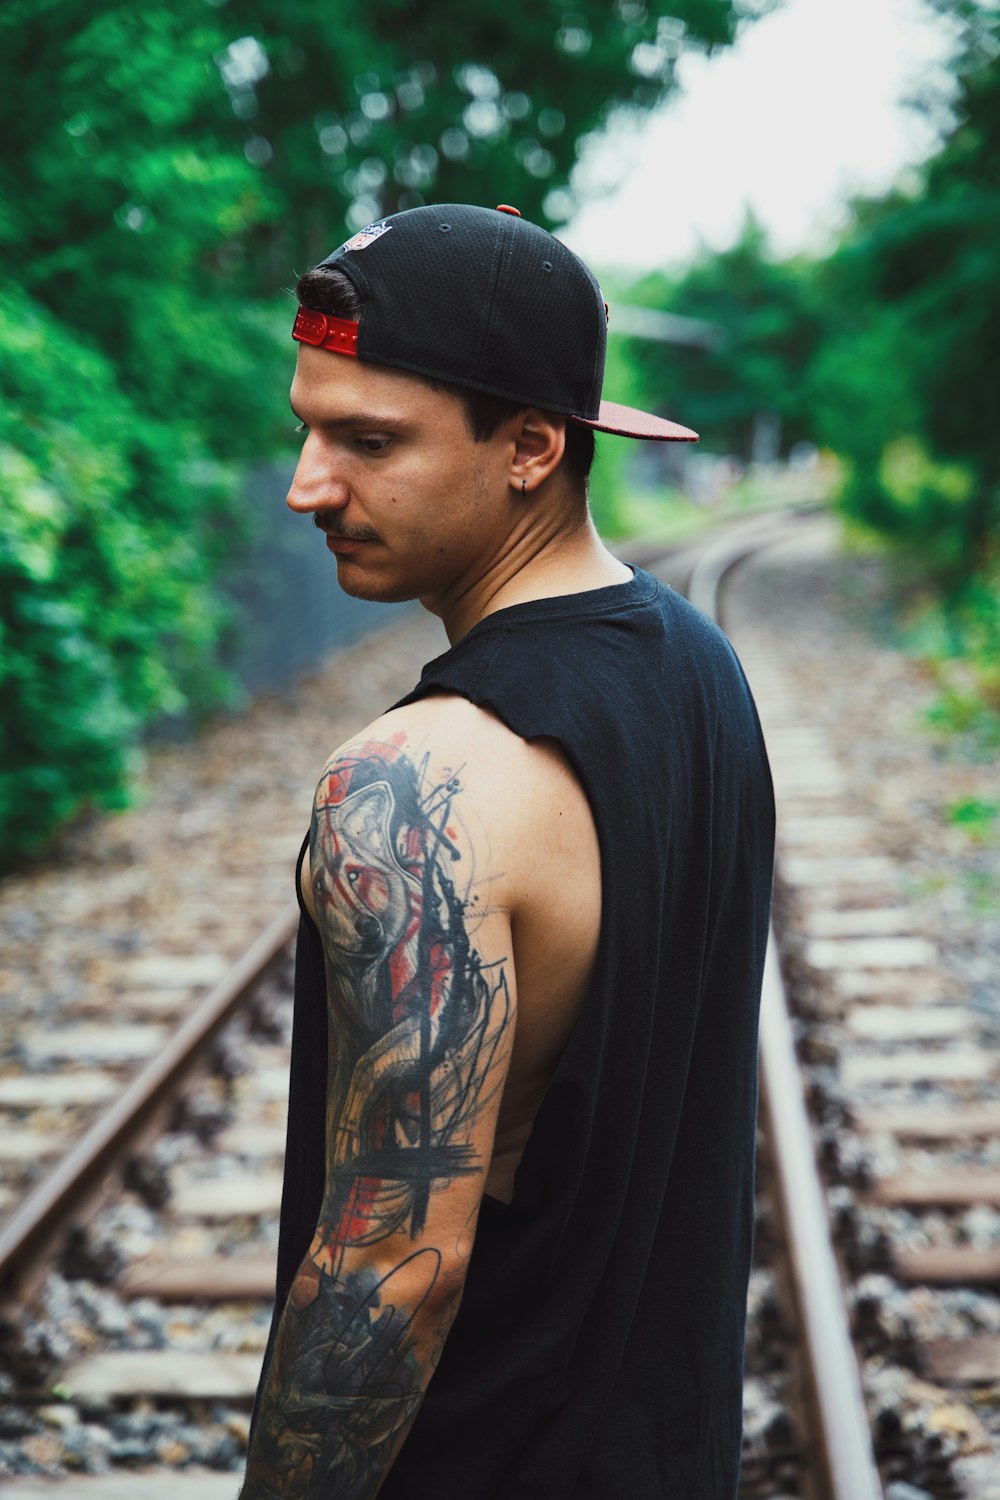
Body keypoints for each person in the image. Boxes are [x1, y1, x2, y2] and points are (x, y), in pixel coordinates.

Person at [240, 203, 774, 1500]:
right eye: (307, 430)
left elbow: (386, 1274)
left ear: (533, 446)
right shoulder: (700, 669)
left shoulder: (416, 779)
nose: (312, 484)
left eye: (369, 441)